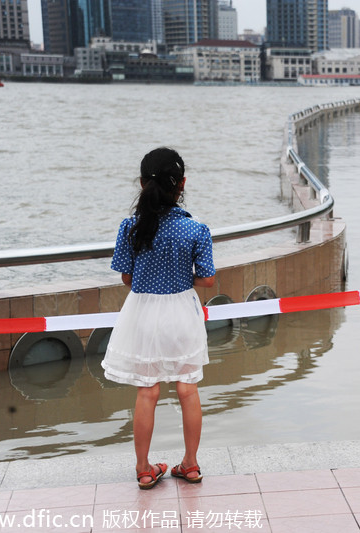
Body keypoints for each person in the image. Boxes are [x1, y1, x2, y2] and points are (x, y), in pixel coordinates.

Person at [101, 147, 216, 489]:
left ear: (141, 182)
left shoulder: (130, 227)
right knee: (187, 389)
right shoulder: (196, 229)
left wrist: (152, 278)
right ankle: (191, 465)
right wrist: (181, 278)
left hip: (143, 312)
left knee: (147, 392)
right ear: (182, 184)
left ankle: (143, 469)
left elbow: (126, 278)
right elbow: (208, 278)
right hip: (181, 311)